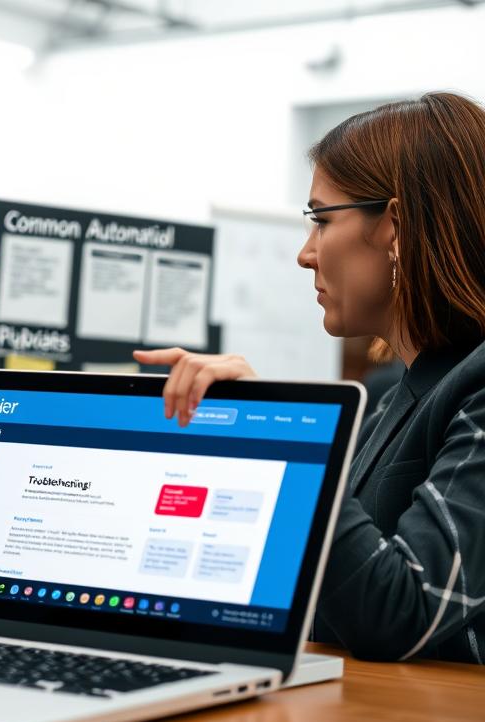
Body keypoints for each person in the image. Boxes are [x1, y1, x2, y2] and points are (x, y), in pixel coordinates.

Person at [135, 92, 485, 664]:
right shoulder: (395, 399)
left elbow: (403, 610)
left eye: (322, 220)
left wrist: (277, 436)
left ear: (395, 226)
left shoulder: (477, 389)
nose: (305, 253)